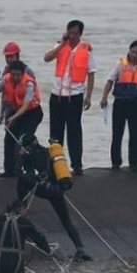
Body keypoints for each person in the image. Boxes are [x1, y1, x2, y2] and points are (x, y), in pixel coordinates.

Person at [16, 133, 92, 260]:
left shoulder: (28, 156)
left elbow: (21, 173)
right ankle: (80, 248)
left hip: (43, 189)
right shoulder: (49, 151)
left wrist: (20, 158)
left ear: (27, 147)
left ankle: (21, 210)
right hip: (56, 190)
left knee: (21, 182)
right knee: (66, 220)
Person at [43, 19, 97, 176]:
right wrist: (61, 44)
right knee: (55, 133)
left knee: (74, 131)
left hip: (74, 96)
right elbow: (46, 58)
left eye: (75, 33)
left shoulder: (86, 49)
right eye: (69, 32)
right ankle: (56, 166)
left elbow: (91, 73)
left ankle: (77, 165)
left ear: (80, 33)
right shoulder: (61, 46)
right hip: (57, 95)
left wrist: (88, 96)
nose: (72, 35)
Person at [100, 40, 137, 172]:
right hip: (120, 103)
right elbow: (110, 81)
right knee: (117, 134)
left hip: (136, 104)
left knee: (135, 135)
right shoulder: (120, 64)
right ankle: (116, 162)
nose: (134, 55)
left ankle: (134, 163)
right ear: (129, 51)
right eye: (133, 52)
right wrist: (104, 98)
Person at [0, 60, 43, 177]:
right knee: (9, 140)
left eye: (18, 75)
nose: (15, 77)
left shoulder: (29, 83)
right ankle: (9, 171)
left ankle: (29, 170)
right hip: (15, 112)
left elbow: (25, 106)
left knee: (23, 140)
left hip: (32, 113)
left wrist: (12, 118)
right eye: (13, 74)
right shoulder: (6, 80)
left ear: (23, 73)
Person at [0, 198, 51, 273]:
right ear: (21, 209)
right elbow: (38, 238)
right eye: (25, 210)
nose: (26, 213)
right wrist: (48, 250)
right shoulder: (25, 223)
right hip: (16, 263)